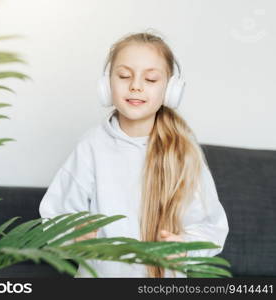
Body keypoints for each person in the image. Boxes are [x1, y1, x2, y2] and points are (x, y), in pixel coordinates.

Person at [39, 30, 229, 278]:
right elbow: (55, 214)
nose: (136, 86)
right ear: (107, 84)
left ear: (171, 90)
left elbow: (210, 226)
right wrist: (73, 233)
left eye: (150, 79)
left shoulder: (184, 151)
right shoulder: (91, 146)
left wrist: (184, 249)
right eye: (124, 76)